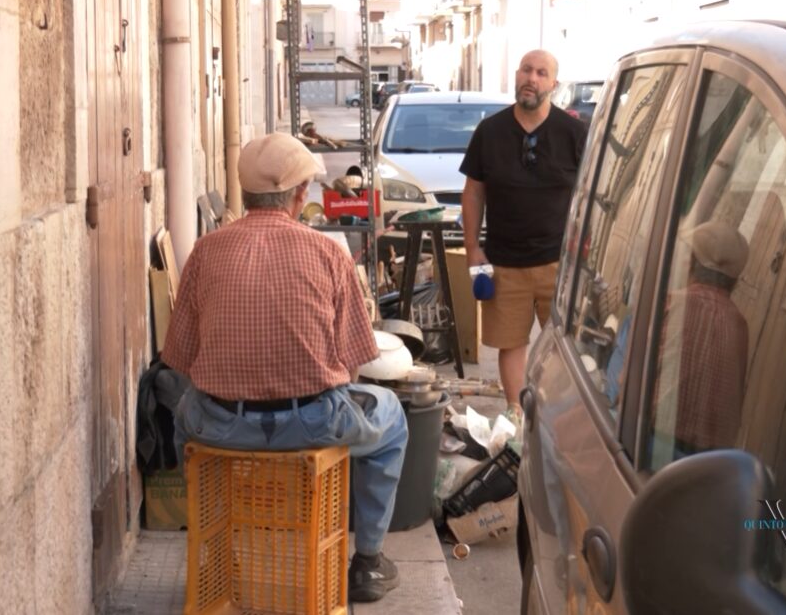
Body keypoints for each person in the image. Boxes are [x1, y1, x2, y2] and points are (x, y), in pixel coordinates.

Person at [162, 133, 409, 603]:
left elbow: (180, 359)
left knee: (181, 413)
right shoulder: (328, 254)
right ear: (299, 195)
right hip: (312, 424)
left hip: (221, 427)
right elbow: (355, 363)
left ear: (245, 194)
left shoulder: (206, 251)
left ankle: (216, 552)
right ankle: (368, 562)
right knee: (391, 417)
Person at [459, 49, 588, 414]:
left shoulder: (574, 133)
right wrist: (472, 248)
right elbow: (474, 192)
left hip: (559, 265)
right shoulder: (490, 132)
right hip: (503, 262)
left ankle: (555, 417)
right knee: (511, 343)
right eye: (527, 70)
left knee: (565, 348)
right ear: (516, 75)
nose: (532, 78)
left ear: (553, 84)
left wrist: (585, 249)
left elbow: (592, 194)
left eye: (541, 73)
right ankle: (516, 415)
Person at [654, 220, 750, 457]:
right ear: (735, 281)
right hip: (707, 462)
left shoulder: (671, 303)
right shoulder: (739, 325)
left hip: (655, 445)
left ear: (692, 265)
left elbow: (627, 385)